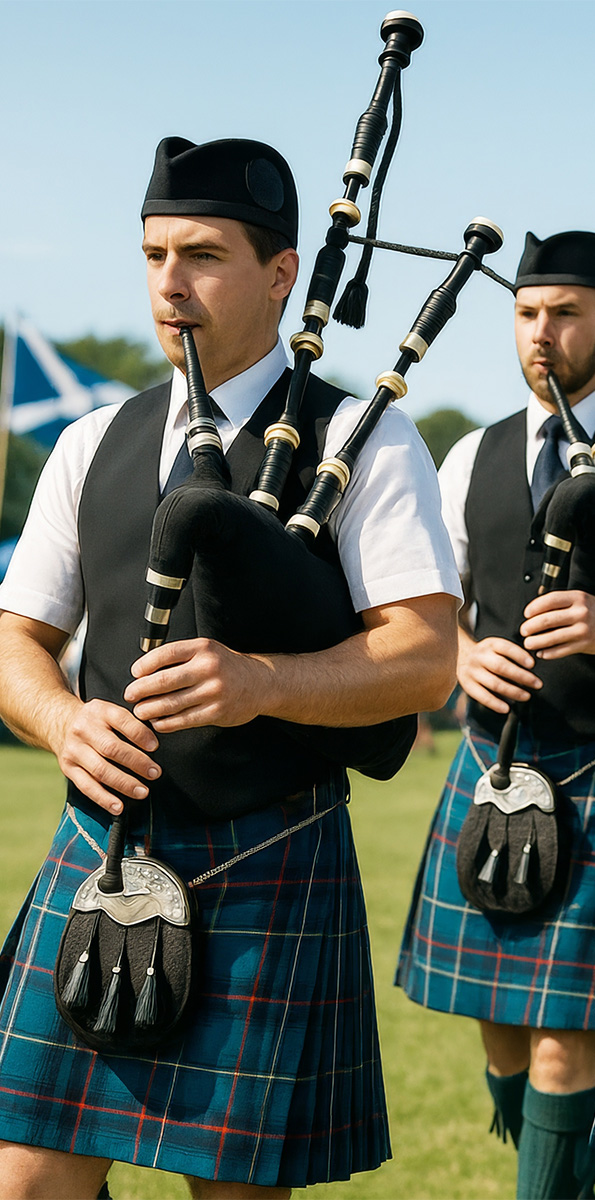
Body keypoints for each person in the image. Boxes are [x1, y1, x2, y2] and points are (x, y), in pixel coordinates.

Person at [0, 136, 461, 1200]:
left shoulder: (367, 439)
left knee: (231, 1188)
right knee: (25, 1175)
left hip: (269, 846)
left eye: (204, 254)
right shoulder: (95, 442)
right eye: (152, 253)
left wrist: (267, 681)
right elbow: (16, 644)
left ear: (281, 273)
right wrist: (60, 722)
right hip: (103, 844)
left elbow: (423, 656)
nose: (169, 283)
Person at [396, 230, 595, 1199]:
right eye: (526, 313)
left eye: (564, 313)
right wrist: (469, 656)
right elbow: (434, 613)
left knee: (568, 1036)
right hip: (495, 765)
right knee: (507, 1027)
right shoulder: (474, 452)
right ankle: (553, 1165)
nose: (542, 334)